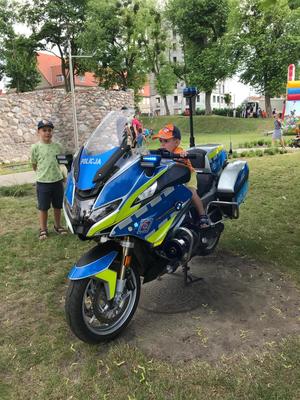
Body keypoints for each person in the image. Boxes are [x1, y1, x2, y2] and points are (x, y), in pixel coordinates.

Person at [152, 124, 210, 228]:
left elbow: (183, 154)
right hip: (173, 177)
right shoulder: (162, 152)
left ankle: (203, 216)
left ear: (176, 142)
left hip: (188, 175)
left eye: (166, 141)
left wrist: (184, 155)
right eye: (160, 141)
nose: (162, 144)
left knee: (191, 192)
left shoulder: (178, 152)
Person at [30, 119, 68, 240]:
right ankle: (43, 229)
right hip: (43, 183)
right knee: (43, 207)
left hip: (57, 181)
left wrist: (63, 176)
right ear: (38, 132)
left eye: (50, 130)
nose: (47, 133)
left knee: (57, 206)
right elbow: (34, 164)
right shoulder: (35, 147)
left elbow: (62, 163)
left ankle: (58, 226)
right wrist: (42, 175)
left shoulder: (58, 146)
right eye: (44, 130)